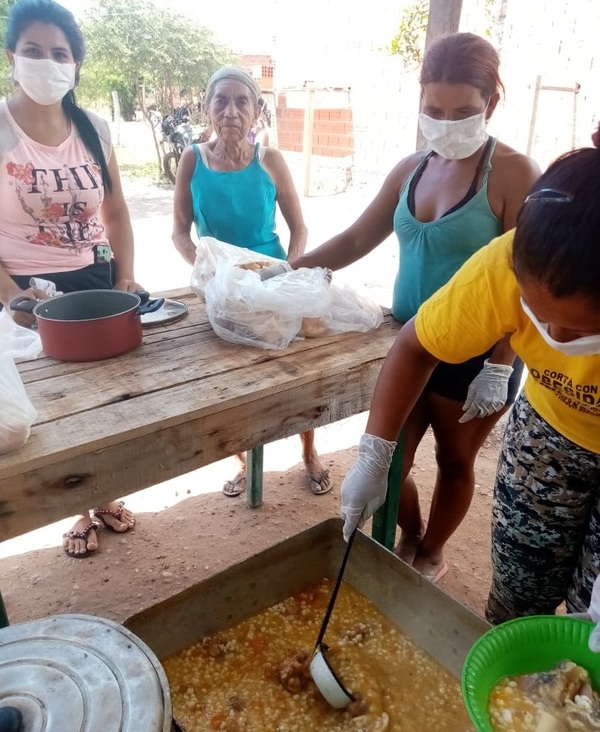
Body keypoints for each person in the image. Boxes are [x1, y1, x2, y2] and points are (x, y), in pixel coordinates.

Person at [290, 33, 540, 581]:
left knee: (455, 459)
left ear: (490, 106)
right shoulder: (411, 169)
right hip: (406, 343)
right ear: (420, 104)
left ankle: (431, 552)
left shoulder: (514, 174)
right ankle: (409, 532)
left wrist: (500, 363)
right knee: (389, 459)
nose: (447, 122)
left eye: (463, 112)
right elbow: (357, 239)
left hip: (479, 355)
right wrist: (291, 268)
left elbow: (528, 281)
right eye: (434, 110)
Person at [339, 143, 600, 624]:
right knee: (519, 593)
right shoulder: (503, 265)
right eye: (538, 317)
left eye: (583, 331)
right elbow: (415, 346)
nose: (555, 341)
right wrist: (374, 457)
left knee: (592, 619)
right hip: (549, 432)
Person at [0, 0, 138, 557]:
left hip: (95, 282)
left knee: (107, 402)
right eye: (33, 51)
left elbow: (120, 212)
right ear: (12, 56)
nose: (46, 63)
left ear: (76, 65)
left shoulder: (94, 128)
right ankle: (76, 509)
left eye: (59, 54)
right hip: (25, 290)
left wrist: (126, 278)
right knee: (55, 410)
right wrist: (13, 299)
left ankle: (105, 493)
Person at [172, 65, 332, 497]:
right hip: (224, 291)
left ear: (257, 110)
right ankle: (243, 459)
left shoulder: (271, 160)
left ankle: (309, 452)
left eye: (242, 101)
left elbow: (299, 229)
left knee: (295, 376)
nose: (231, 111)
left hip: (273, 283)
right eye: (220, 100)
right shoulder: (193, 159)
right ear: (207, 108)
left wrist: (287, 275)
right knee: (232, 383)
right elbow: (179, 232)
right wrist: (206, 271)